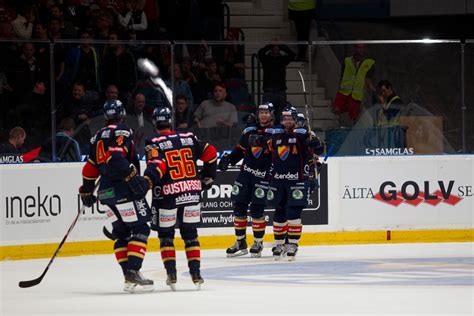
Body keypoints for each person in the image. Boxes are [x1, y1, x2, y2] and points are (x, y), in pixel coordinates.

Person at [79, 99, 154, 293]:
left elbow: (90, 167)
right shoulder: (122, 130)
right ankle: (134, 270)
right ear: (122, 113)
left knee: (120, 233)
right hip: (123, 189)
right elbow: (116, 156)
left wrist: (86, 190)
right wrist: (131, 177)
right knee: (140, 229)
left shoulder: (96, 137)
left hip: (106, 192)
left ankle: (128, 276)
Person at [144, 106, 217, 290]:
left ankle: (171, 274)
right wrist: (208, 176)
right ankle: (196, 273)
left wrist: (147, 180)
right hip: (191, 194)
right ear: (171, 121)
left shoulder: (153, 142)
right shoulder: (189, 137)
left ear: (154, 123)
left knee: (166, 236)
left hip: (166, 197)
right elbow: (211, 152)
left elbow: (158, 165)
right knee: (191, 235)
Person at [219, 102, 274, 258]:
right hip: (245, 174)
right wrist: (229, 159)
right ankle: (240, 242)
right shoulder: (249, 130)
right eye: (261, 112)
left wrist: (265, 142)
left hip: (263, 176)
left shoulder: (277, 132)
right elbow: (240, 150)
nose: (263, 115)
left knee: (257, 210)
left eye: (266, 112)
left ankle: (258, 242)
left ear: (272, 114)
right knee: (239, 207)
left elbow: (278, 153)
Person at [266, 107, 322, 260]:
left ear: (295, 120)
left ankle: (293, 244)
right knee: (278, 213)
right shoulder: (276, 134)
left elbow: (319, 150)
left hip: (296, 180)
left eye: (290, 118)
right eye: (284, 118)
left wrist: (315, 143)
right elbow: (266, 147)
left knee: (293, 213)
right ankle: (279, 243)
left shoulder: (303, 134)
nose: (287, 121)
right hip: (278, 181)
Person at [333, 44, 376, 122]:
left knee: (353, 117)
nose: (360, 50)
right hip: (343, 92)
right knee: (336, 110)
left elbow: (368, 78)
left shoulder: (369, 63)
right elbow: (342, 75)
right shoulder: (347, 61)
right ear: (354, 48)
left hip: (356, 95)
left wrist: (371, 88)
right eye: (358, 47)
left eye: (362, 48)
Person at [258, 40, 296, 123]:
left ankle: (279, 133)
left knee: (280, 115)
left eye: (277, 46)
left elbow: (292, 55)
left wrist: (282, 45)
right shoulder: (266, 59)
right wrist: (270, 45)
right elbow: (260, 53)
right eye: (274, 46)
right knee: (266, 115)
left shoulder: (282, 59)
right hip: (268, 91)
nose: (275, 48)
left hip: (280, 91)